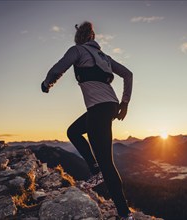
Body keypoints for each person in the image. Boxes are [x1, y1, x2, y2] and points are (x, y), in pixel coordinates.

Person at [41, 21, 133, 220]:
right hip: (109, 105)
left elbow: (59, 68)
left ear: (79, 37)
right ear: (93, 37)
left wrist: (47, 82)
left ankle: (125, 214)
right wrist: (124, 103)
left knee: (107, 163)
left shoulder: (77, 51)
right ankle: (96, 170)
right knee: (73, 131)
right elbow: (128, 74)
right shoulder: (104, 57)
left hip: (99, 108)